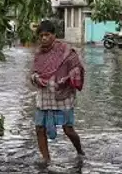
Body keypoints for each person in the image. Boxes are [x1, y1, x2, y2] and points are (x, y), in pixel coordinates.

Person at [30, 20, 86, 163]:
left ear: (54, 35)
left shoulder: (66, 51)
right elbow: (34, 72)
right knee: (39, 128)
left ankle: (80, 151)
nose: (44, 38)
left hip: (63, 94)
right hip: (45, 94)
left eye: (47, 35)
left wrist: (69, 77)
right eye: (41, 35)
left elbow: (77, 67)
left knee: (68, 129)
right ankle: (46, 159)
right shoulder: (38, 54)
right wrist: (35, 78)